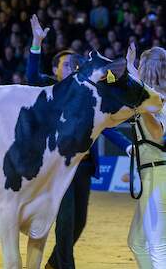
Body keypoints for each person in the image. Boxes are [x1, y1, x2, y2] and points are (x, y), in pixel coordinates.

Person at [27, 14, 132, 269]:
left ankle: (54, 262)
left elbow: (106, 125)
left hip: (83, 168)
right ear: (54, 70)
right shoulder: (51, 89)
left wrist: (127, 145)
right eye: (66, 64)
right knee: (65, 223)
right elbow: (31, 76)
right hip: (59, 168)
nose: (73, 67)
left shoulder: (87, 94)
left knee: (79, 222)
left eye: (75, 63)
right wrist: (37, 43)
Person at [126, 44, 166, 269]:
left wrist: (142, 107)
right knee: (137, 242)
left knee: (157, 246)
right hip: (153, 173)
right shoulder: (153, 98)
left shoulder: (158, 101)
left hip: (158, 175)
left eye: (141, 66)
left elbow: (159, 135)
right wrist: (130, 65)